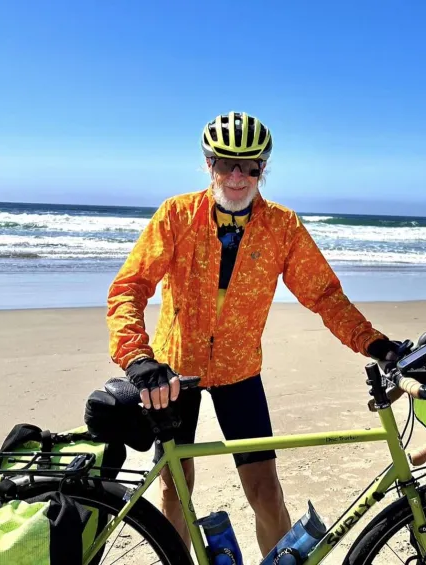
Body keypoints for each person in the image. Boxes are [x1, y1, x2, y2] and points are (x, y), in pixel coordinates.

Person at [106, 111, 404, 556]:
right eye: (226, 163)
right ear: (209, 165)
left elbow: (324, 294)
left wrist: (375, 343)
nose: (238, 175)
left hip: (240, 371)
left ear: (264, 168)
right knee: (175, 489)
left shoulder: (282, 225)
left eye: (250, 165)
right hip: (173, 371)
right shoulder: (177, 215)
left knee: (266, 492)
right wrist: (137, 357)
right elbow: (130, 287)